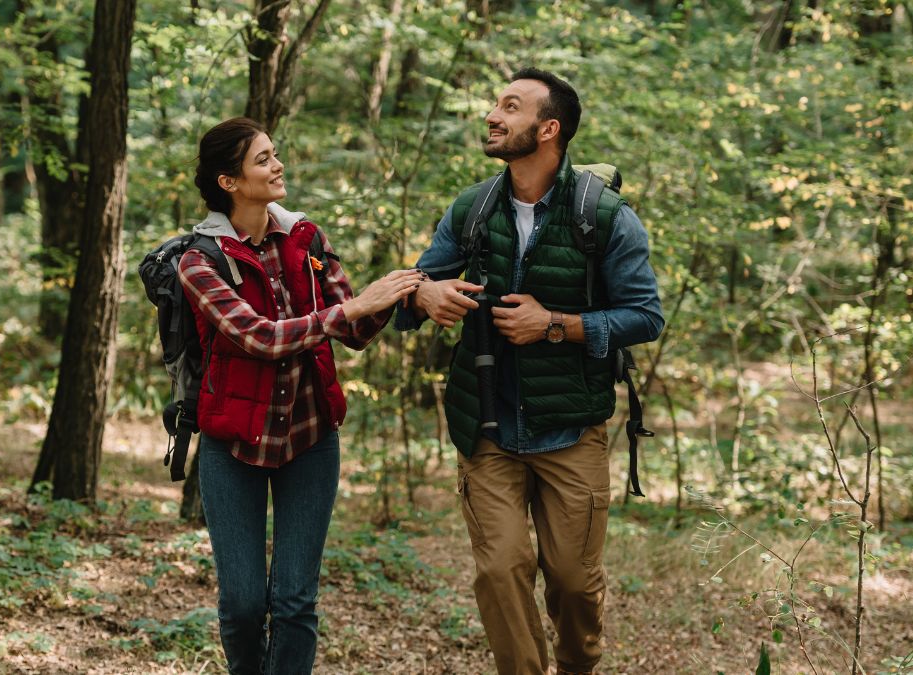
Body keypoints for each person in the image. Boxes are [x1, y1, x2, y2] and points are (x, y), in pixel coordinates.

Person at [395, 69, 664, 674]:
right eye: (495, 103)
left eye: (509, 107)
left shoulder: (605, 216)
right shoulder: (474, 207)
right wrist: (423, 297)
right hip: (485, 424)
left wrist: (556, 324)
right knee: (500, 568)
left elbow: (645, 317)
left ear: (549, 129)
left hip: (571, 426)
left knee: (572, 581)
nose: (493, 115)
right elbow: (414, 284)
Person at [179, 117, 421, 674]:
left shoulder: (307, 238)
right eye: (262, 159)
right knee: (242, 605)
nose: (277, 165)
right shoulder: (199, 262)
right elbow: (261, 338)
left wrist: (405, 289)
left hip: (310, 440)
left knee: (294, 602)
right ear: (228, 182)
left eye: (274, 154)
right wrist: (356, 305)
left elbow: (354, 333)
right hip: (232, 446)